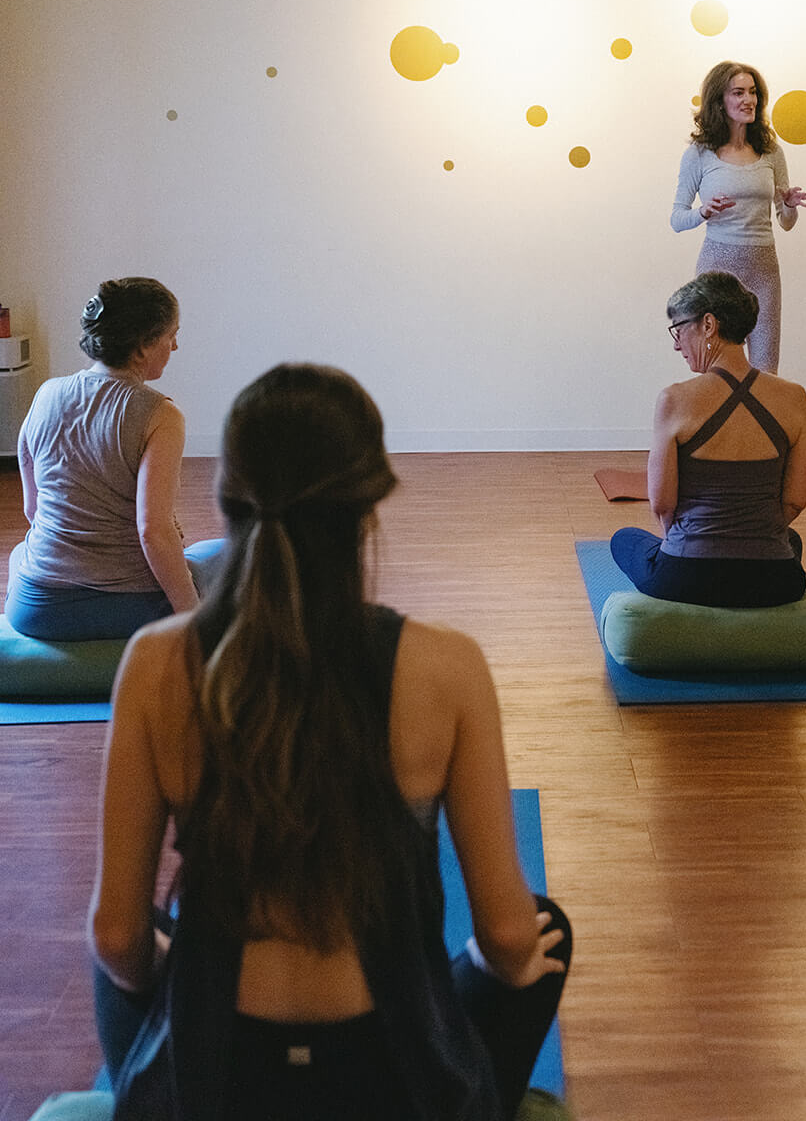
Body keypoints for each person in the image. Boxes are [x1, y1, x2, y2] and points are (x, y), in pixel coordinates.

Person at [89, 364, 570, 1120]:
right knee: (546, 932)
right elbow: (509, 938)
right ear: (370, 503)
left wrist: (174, 979)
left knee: (131, 940)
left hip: (216, 1088)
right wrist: (485, 967)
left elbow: (117, 937)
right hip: (399, 1087)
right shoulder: (447, 667)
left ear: (227, 497)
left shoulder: (154, 664)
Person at [6, 278, 216, 640]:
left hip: (32, 608)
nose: (175, 346)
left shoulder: (46, 394)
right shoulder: (161, 415)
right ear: (143, 346)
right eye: (171, 336)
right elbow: (153, 532)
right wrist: (193, 622)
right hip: (126, 606)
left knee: (18, 553)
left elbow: (33, 509)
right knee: (224, 555)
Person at [611, 271, 806, 607]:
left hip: (686, 577)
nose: (676, 344)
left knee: (624, 539)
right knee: (791, 540)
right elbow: (795, 501)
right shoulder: (794, 397)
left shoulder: (674, 400)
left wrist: (691, 547)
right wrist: (753, 539)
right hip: (777, 581)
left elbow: (662, 505)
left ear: (708, 325)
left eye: (678, 329)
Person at [670, 60, 806, 373]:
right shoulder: (699, 154)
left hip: (763, 270)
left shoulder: (771, 151)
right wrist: (702, 212)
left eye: (753, 92)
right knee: (716, 369)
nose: (749, 100)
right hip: (717, 269)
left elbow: (786, 223)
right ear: (719, 101)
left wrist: (788, 205)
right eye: (738, 93)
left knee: (765, 370)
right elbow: (676, 218)